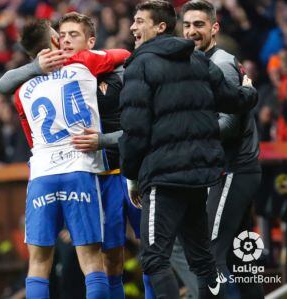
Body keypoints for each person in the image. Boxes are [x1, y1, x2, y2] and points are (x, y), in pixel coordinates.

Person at [0, 15, 141, 299]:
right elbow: (123, 54)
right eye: (58, 34)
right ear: (52, 41)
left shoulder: (21, 90)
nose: (63, 39)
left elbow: (31, 138)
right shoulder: (83, 63)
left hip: (41, 173)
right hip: (81, 167)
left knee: (38, 262)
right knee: (92, 260)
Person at [119, 1, 258, 298]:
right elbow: (232, 100)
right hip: (199, 178)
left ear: (160, 27)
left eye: (139, 21)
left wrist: (132, 176)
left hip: (163, 177)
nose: (132, 27)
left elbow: (134, 130)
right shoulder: (197, 60)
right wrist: (249, 90)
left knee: (154, 259)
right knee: (203, 260)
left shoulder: (139, 65)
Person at [182, 1, 264, 298]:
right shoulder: (200, 62)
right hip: (229, 169)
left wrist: (187, 129)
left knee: (209, 252)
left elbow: (229, 124)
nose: (192, 31)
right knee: (240, 258)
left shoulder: (219, 63)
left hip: (233, 168)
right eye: (188, 25)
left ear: (214, 28)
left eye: (199, 25)